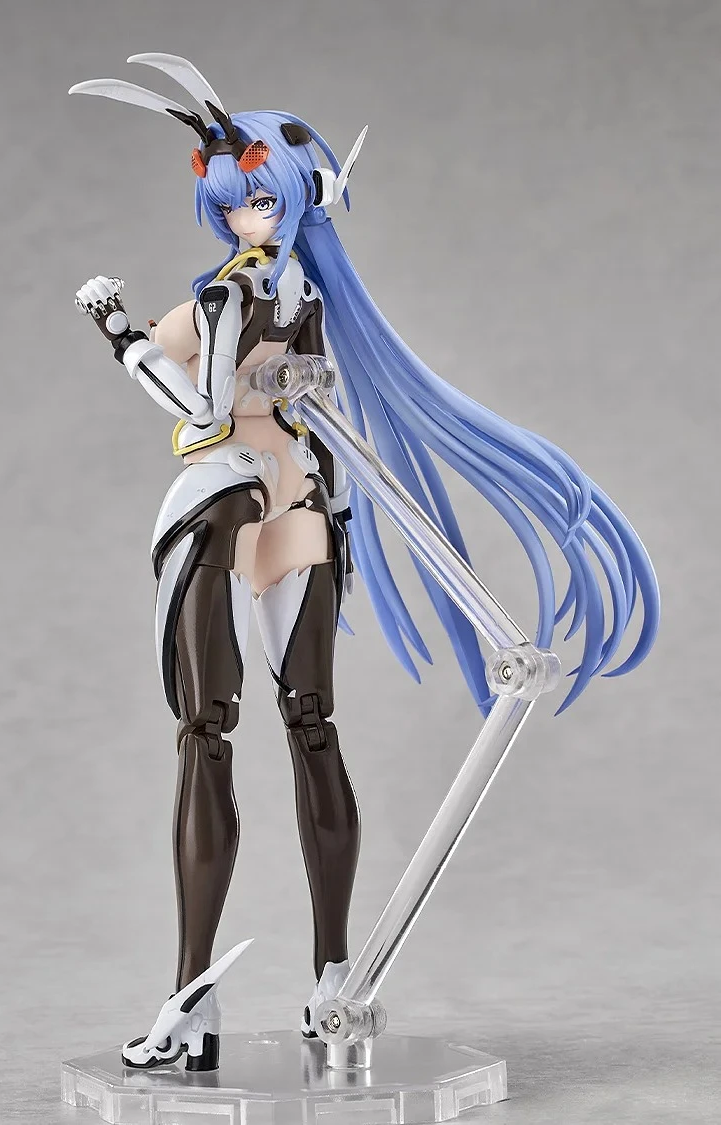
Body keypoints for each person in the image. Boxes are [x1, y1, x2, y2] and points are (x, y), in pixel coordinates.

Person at [70, 53, 659, 1071]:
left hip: (230, 502)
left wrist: (117, 335)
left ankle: (209, 995)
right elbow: (298, 388)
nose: (246, 217)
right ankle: (317, 977)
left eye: (260, 199)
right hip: (297, 502)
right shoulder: (299, 288)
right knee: (296, 730)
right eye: (233, 204)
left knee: (219, 734)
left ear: (296, 197)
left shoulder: (236, 294)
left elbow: (200, 409)